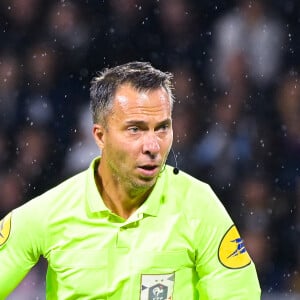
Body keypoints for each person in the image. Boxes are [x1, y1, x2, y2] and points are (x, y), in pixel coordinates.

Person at [0, 61, 261, 299]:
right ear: (100, 136)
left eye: (162, 128)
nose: (152, 146)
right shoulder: (49, 212)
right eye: (135, 129)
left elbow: (239, 294)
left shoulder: (199, 206)